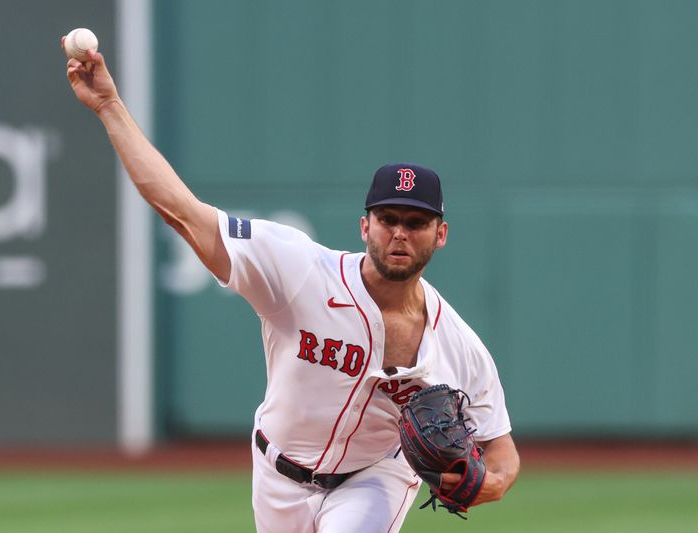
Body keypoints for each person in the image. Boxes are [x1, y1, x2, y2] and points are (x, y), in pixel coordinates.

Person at [63, 43, 520, 533]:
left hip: (375, 478)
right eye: (388, 218)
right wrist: (110, 107)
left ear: (441, 234)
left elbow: (502, 450)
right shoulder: (299, 269)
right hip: (276, 474)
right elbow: (183, 212)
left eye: (416, 222)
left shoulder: (459, 346)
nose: (400, 233)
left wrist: (495, 482)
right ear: (365, 226)